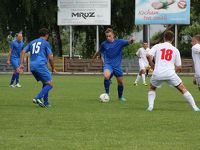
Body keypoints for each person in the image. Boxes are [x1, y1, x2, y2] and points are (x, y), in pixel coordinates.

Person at [147, 31, 200, 111]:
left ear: (164, 37)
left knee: (152, 88)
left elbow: (148, 55)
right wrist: (173, 73)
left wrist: (152, 65)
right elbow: (179, 67)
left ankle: (150, 106)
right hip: (170, 74)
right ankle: (195, 107)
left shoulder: (157, 46)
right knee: (183, 89)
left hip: (157, 73)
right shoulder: (175, 50)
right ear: (173, 39)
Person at [93, 28, 134, 101]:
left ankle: (120, 97)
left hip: (117, 66)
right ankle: (107, 94)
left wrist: (131, 40)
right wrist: (93, 57)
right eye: (107, 36)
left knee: (120, 82)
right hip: (108, 64)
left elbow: (129, 42)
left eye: (109, 36)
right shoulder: (104, 44)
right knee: (106, 76)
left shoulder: (120, 42)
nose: (108, 37)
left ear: (113, 35)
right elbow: (99, 51)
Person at [19, 28, 56, 107]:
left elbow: (23, 51)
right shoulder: (46, 43)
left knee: (45, 83)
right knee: (50, 84)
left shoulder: (32, 42)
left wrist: (21, 64)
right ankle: (37, 98)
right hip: (40, 65)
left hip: (32, 66)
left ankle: (46, 103)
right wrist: (53, 68)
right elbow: (51, 57)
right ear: (47, 35)